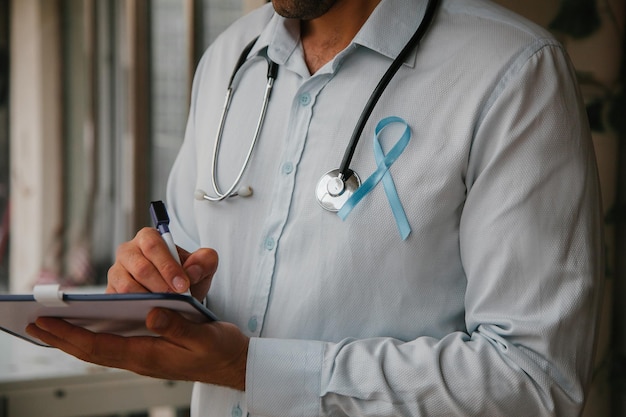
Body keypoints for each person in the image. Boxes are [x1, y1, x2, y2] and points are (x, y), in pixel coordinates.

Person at [26, 0, 604, 415]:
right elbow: (186, 266)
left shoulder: (509, 71)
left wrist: (251, 368)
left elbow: (534, 381)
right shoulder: (231, 58)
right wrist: (156, 286)